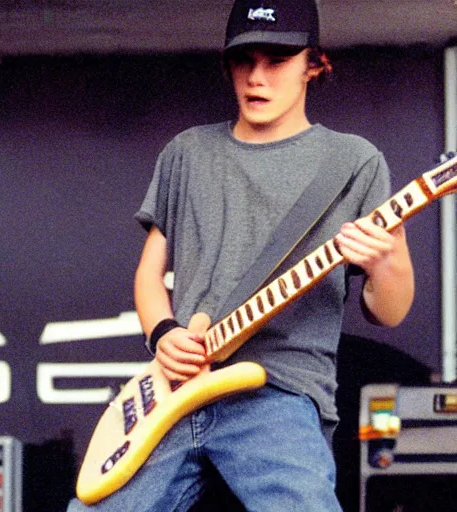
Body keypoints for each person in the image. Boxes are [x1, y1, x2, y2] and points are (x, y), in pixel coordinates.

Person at [68, 0, 414, 510]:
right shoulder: (187, 153)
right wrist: (163, 334)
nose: (257, 77)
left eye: (276, 60)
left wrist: (387, 261)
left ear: (314, 65)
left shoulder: (354, 162)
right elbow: (149, 273)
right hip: (176, 390)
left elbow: (389, 311)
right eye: (243, 60)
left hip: (279, 390)